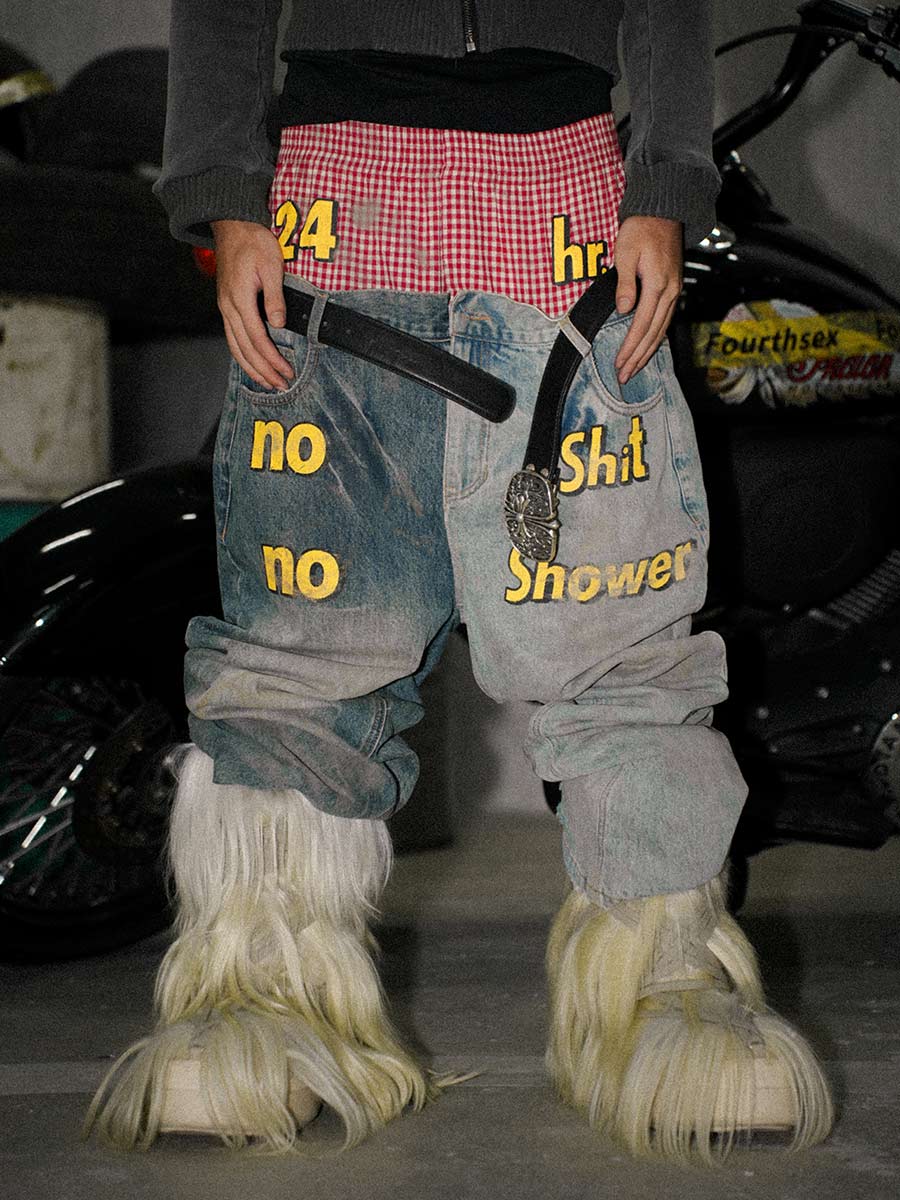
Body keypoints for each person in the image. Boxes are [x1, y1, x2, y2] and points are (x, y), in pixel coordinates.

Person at [82, 0, 834, 1162]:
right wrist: (224, 195)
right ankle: (258, 997)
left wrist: (668, 180)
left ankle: (667, 986)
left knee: (620, 643)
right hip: (331, 233)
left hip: (569, 231)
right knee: (306, 649)